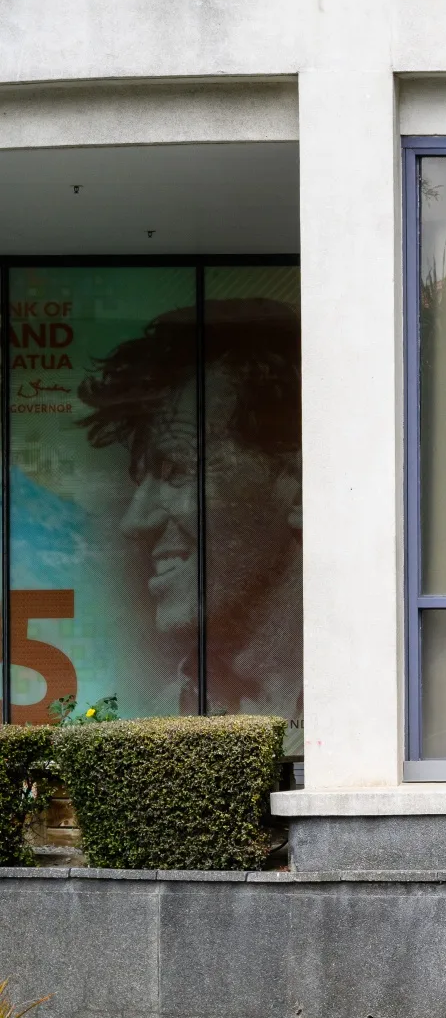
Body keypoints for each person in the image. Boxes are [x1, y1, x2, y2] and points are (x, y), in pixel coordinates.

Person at [77, 299, 304, 744]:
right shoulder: (159, 724)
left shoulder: (379, 692)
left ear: (296, 483)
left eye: (176, 469)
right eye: (140, 479)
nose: (134, 521)